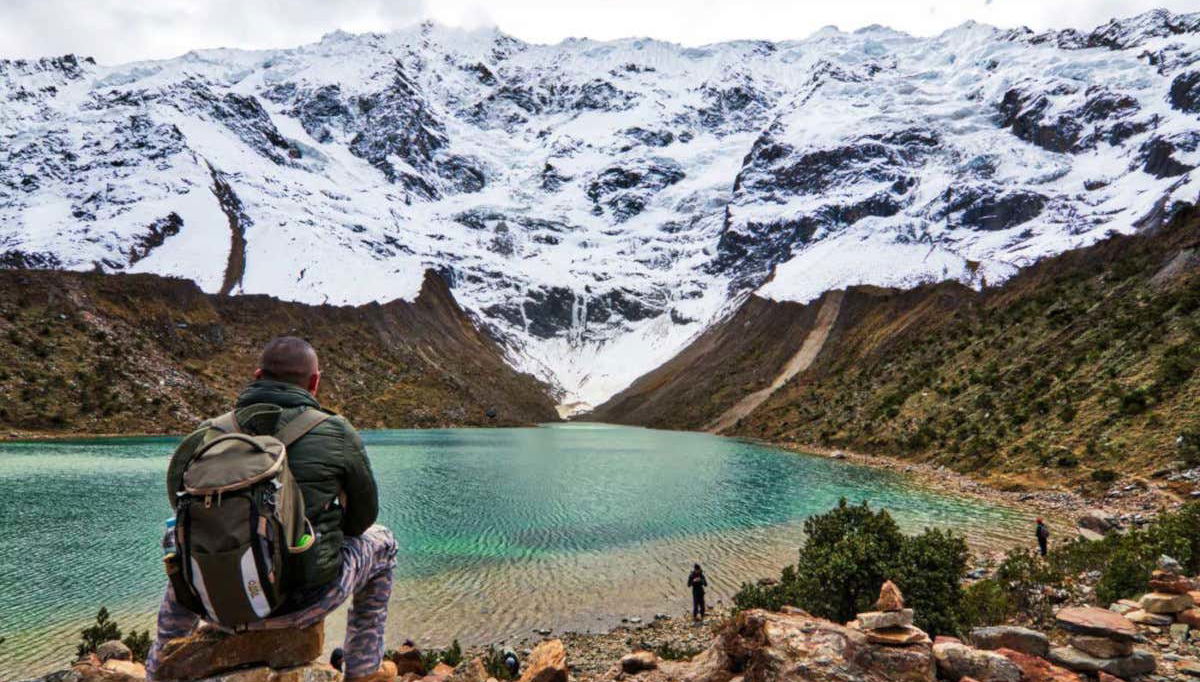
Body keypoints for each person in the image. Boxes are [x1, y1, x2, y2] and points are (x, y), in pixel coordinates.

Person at [146, 337, 397, 682]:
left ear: (257, 375)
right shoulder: (336, 432)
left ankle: (162, 663)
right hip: (306, 601)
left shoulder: (207, 435)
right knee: (383, 542)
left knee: (184, 551)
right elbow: (362, 521)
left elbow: (181, 510)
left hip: (216, 605)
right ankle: (363, 670)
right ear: (314, 382)